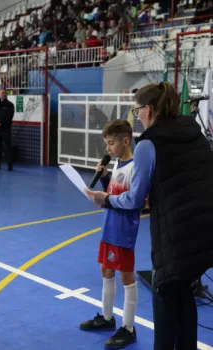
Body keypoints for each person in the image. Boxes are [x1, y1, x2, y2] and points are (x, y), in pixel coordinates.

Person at [85, 82, 213, 350]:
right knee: (184, 294)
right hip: (204, 233)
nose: (137, 116)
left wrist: (106, 199)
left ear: (150, 110)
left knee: (165, 299)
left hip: (175, 236)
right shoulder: (196, 134)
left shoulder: (149, 144)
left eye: (137, 110)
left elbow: (132, 199)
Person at [80, 120, 140, 348]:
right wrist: (104, 178)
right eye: (107, 144)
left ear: (125, 141)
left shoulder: (134, 167)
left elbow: (131, 201)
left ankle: (129, 327)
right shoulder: (118, 164)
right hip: (109, 226)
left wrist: (105, 198)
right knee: (105, 269)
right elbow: (113, 192)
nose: (108, 149)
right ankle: (106, 318)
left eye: (111, 143)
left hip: (123, 230)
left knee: (126, 276)